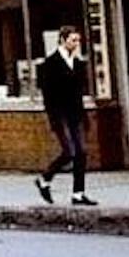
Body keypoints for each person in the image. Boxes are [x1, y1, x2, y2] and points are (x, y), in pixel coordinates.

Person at [35, 26, 97, 206]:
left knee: (81, 153)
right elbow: (48, 95)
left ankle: (78, 193)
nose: (76, 44)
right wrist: (53, 118)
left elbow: (78, 93)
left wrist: (84, 116)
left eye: (78, 40)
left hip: (75, 113)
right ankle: (45, 178)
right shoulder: (50, 64)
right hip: (60, 115)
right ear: (62, 40)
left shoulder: (77, 63)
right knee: (70, 151)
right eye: (73, 40)